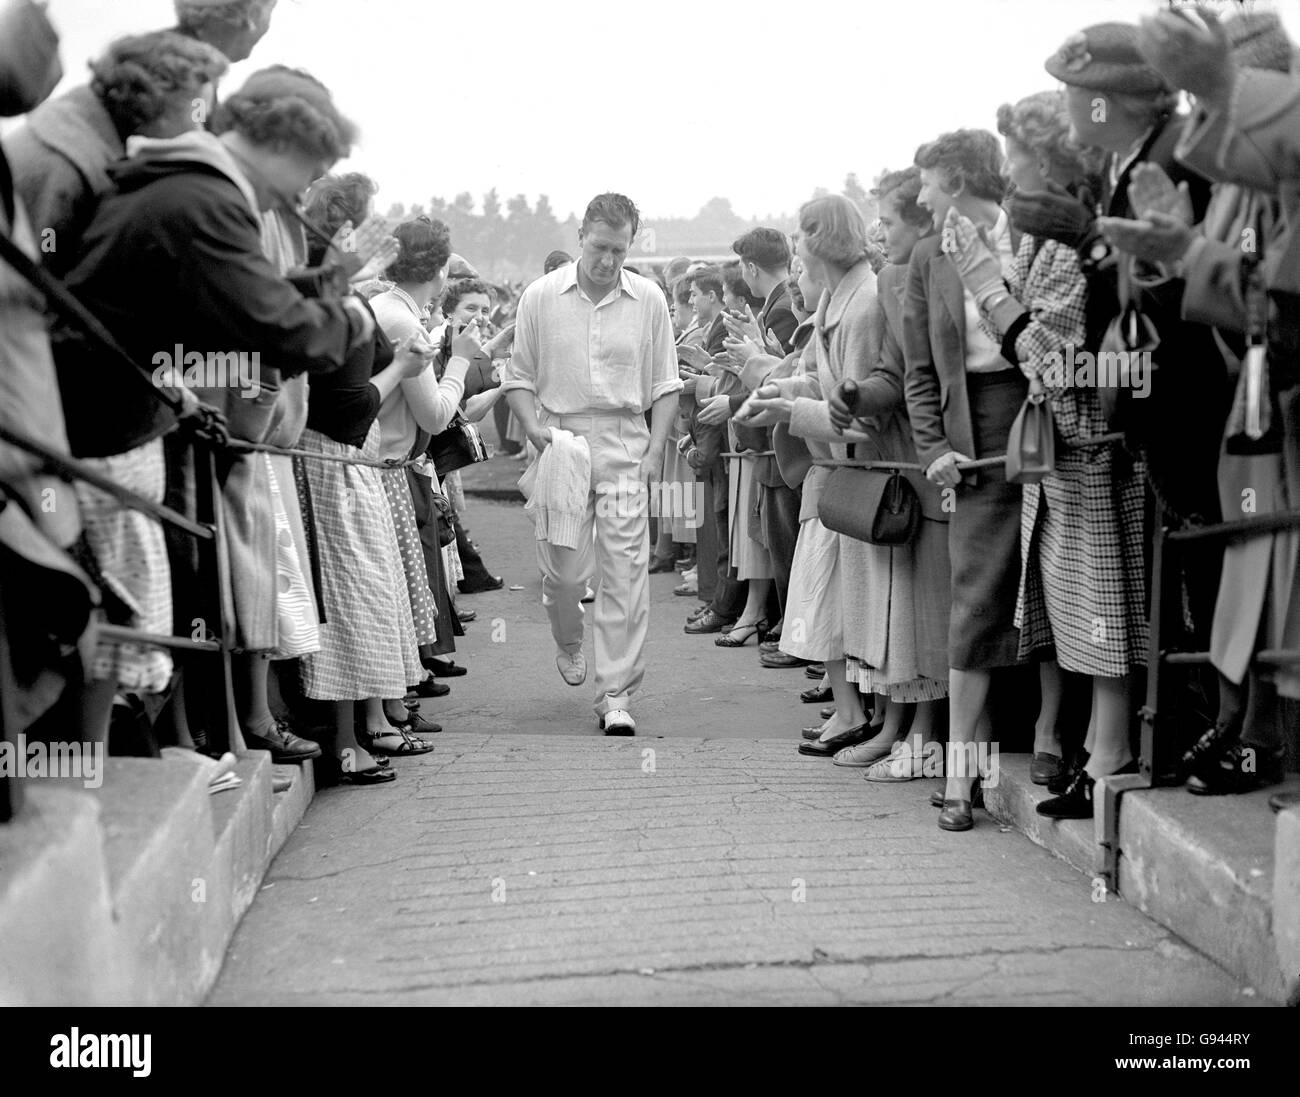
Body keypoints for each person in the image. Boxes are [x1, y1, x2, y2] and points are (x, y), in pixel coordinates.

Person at [502, 193, 681, 734]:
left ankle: (616, 694)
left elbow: (666, 384)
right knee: (563, 575)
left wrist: (654, 451)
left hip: (626, 443)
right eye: (601, 247)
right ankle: (568, 639)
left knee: (625, 574)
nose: (608, 260)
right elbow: (518, 376)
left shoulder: (648, 299)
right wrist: (532, 428)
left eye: (619, 251)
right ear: (582, 235)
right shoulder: (539, 297)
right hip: (560, 443)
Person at [903, 129, 1029, 832]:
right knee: (976, 600)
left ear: (956, 179)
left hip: (1041, 420)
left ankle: (1045, 745)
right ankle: (961, 771)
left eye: (927, 181)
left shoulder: (1031, 238)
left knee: (1054, 581)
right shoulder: (929, 256)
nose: (920, 195)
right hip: (971, 437)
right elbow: (921, 372)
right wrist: (934, 451)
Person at [2, 30, 229, 275]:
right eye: (197, 110)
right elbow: (43, 250)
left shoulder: (79, 123)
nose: (200, 127)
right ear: (157, 94)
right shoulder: (66, 164)